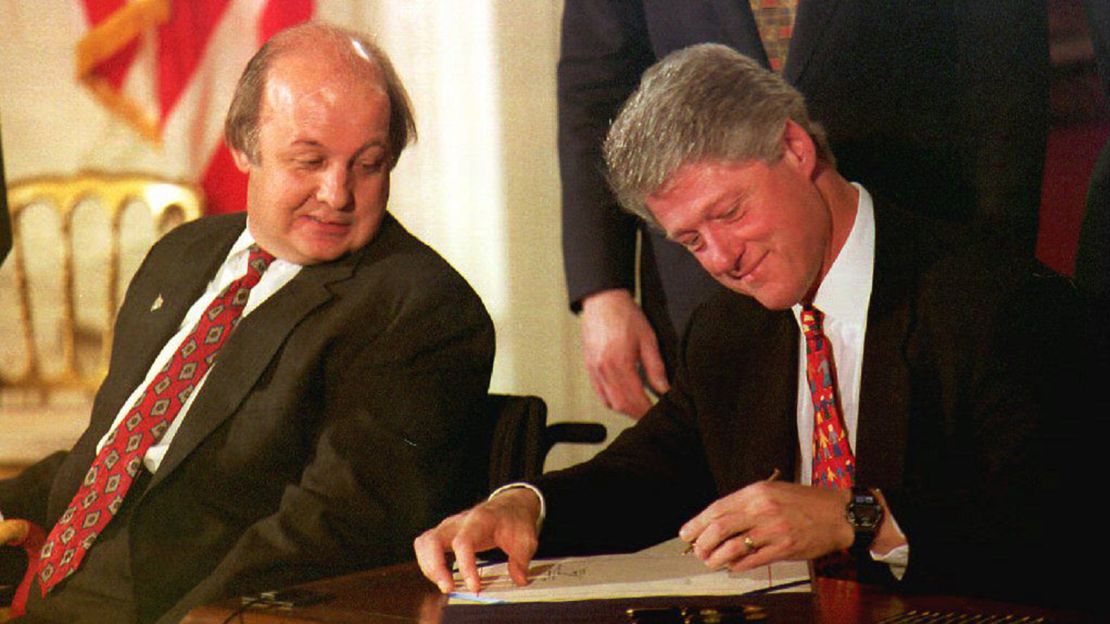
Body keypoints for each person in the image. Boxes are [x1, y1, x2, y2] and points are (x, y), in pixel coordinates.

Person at [417, 44, 1100, 610]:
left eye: (731, 212)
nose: (722, 259)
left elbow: (1062, 524)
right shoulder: (727, 332)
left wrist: (857, 517)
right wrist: (521, 505)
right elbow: (647, 473)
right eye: (690, 241)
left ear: (796, 149)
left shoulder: (992, 299)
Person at [0, 23, 495, 624]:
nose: (337, 193)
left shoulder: (418, 306)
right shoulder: (181, 254)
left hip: (193, 606)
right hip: (56, 583)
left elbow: (331, 530)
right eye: (309, 160)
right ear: (244, 146)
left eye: (368, 165)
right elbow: (116, 452)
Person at [560, 0, 1051, 418]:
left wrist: (995, 272)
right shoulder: (715, 296)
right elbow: (595, 86)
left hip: (914, 257)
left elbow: (1004, 79)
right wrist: (605, 289)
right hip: (715, 303)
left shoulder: (973, 306)